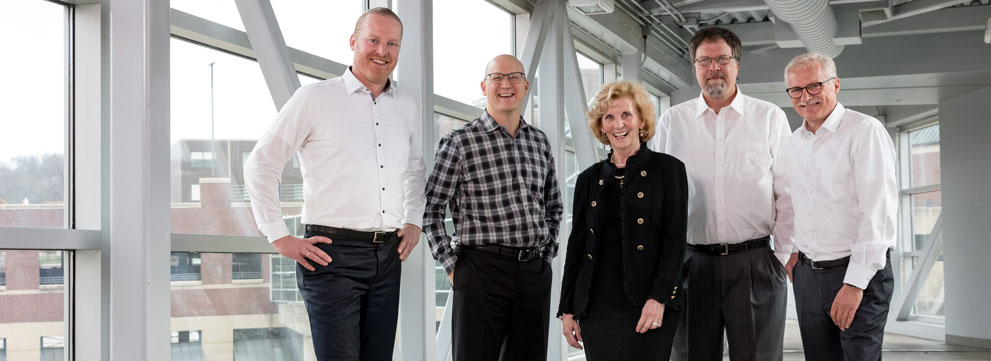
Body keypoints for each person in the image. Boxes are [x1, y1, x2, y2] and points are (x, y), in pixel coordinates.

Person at [243, 8, 425, 361]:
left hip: (388, 256)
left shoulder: (406, 106)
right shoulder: (314, 99)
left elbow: (414, 171)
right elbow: (261, 164)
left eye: (392, 43)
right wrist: (279, 235)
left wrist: (414, 218)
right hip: (332, 255)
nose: (382, 51)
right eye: (373, 40)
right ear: (353, 42)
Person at [650, 26, 794, 361]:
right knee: (689, 355)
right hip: (691, 264)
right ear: (695, 67)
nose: (714, 67)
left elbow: (788, 191)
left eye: (722, 59)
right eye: (705, 61)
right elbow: (659, 198)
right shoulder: (673, 122)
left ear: (737, 65)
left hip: (756, 262)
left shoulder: (768, 117)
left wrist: (784, 256)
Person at [423, 54, 564, 361]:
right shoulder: (460, 142)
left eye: (514, 77)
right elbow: (431, 209)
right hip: (480, 272)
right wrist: (451, 267)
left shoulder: (539, 142)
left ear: (526, 86)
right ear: (484, 86)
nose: (505, 84)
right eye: (497, 77)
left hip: (532, 273)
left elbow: (553, 206)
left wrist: (546, 258)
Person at [557, 81, 688, 360]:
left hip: (649, 303)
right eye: (609, 117)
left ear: (641, 120)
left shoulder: (669, 170)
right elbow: (577, 245)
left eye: (626, 115)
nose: (619, 124)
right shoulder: (588, 178)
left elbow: (675, 240)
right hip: (597, 307)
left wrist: (660, 298)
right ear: (601, 126)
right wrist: (567, 309)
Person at [782, 53, 897, 361]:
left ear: (835, 85)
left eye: (815, 86)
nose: (806, 96)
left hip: (857, 273)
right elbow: (801, 202)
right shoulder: (794, 142)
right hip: (808, 276)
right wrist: (795, 248)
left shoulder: (864, 131)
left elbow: (878, 213)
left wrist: (854, 284)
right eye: (796, 90)